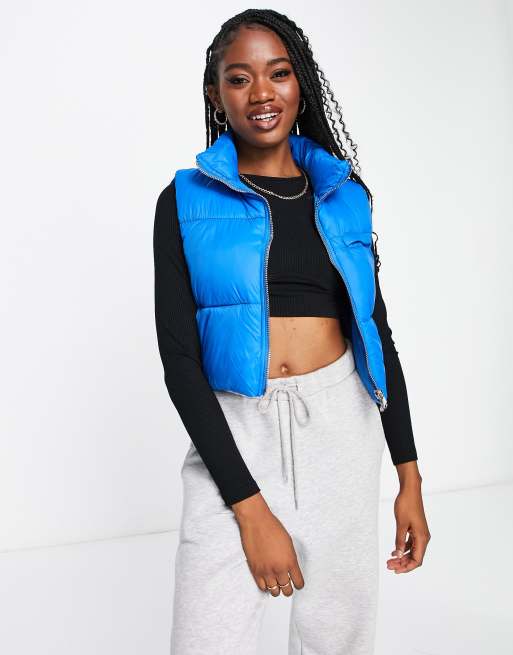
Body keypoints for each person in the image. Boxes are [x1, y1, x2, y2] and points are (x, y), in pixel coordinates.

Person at [153, 8, 431, 654]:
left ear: (299, 82)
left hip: (340, 428)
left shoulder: (343, 194)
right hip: (235, 427)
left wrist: (409, 477)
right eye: (239, 78)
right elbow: (179, 361)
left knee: (338, 639)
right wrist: (249, 508)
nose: (261, 93)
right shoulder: (184, 200)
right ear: (216, 94)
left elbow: (376, 333)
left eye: (278, 73)